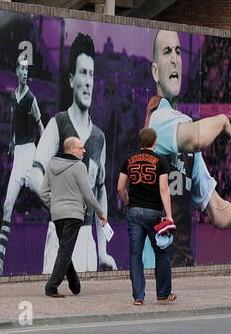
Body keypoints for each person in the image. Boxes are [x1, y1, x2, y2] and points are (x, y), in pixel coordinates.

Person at [145, 29, 231, 268]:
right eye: (166, 52)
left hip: (181, 265)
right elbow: (196, 137)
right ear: (155, 71)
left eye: (178, 51)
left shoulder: (184, 133)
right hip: (156, 266)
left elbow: (216, 208)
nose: (174, 59)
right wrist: (223, 119)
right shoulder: (157, 119)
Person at [27, 33, 115, 277]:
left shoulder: (99, 138)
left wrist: (103, 251)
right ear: (71, 79)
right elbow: (34, 174)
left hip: (87, 240)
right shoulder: (58, 124)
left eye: (91, 74)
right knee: (53, 305)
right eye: (82, 73)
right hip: (60, 234)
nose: (87, 81)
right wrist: (56, 204)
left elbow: (100, 191)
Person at [0, 54, 44, 275]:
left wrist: (44, 154)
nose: (25, 72)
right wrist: (11, 141)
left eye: (27, 69)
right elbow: (12, 122)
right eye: (22, 68)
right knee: (7, 206)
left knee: (45, 199)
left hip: (30, 152)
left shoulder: (31, 98)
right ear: (16, 72)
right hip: (19, 155)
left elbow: (40, 125)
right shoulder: (13, 97)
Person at [40, 135, 108, 297]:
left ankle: (75, 285)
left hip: (57, 215)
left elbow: (43, 194)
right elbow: (88, 194)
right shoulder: (79, 167)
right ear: (71, 149)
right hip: (74, 215)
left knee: (65, 249)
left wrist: (54, 206)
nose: (84, 150)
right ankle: (51, 287)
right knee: (65, 250)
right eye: (80, 147)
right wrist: (100, 213)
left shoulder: (51, 165)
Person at [117, 126, 176, 305]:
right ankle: (163, 294)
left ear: (140, 142)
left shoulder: (129, 160)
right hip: (154, 212)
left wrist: (128, 203)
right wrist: (169, 215)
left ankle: (138, 297)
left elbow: (120, 187)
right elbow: (164, 189)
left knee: (135, 254)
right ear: (155, 141)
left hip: (134, 210)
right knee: (161, 252)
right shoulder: (161, 160)